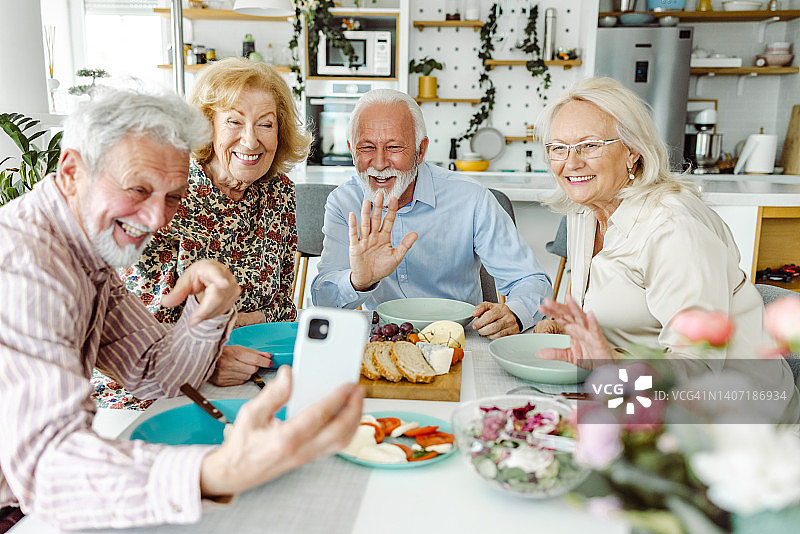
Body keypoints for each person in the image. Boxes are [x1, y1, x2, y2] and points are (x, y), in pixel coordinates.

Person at [0, 89, 363, 531]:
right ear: (73, 171)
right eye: (138, 189)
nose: (156, 219)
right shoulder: (26, 269)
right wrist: (218, 471)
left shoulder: (83, 250)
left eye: (173, 198)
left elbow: (154, 370)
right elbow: (48, 472)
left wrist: (209, 312)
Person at [532, 77, 799, 421]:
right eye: (559, 148)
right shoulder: (586, 211)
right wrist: (564, 325)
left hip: (734, 421)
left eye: (590, 145)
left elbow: (699, 368)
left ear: (632, 151)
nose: (571, 162)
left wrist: (611, 362)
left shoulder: (672, 228)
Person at [115, 58, 310, 391]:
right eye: (234, 121)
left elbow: (283, 307)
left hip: (255, 369)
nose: (251, 141)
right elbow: (142, 325)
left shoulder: (279, 191)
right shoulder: (166, 191)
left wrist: (224, 328)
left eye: (265, 124)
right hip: (156, 386)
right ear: (208, 126)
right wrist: (210, 353)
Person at [311, 88, 551, 339]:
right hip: (385, 338)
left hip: (461, 338)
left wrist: (515, 313)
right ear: (351, 150)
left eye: (394, 147)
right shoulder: (344, 202)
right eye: (367, 148)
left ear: (420, 150)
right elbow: (323, 302)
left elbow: (530, 279)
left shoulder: (470, 198)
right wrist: (357, 282)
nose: (379, 163)